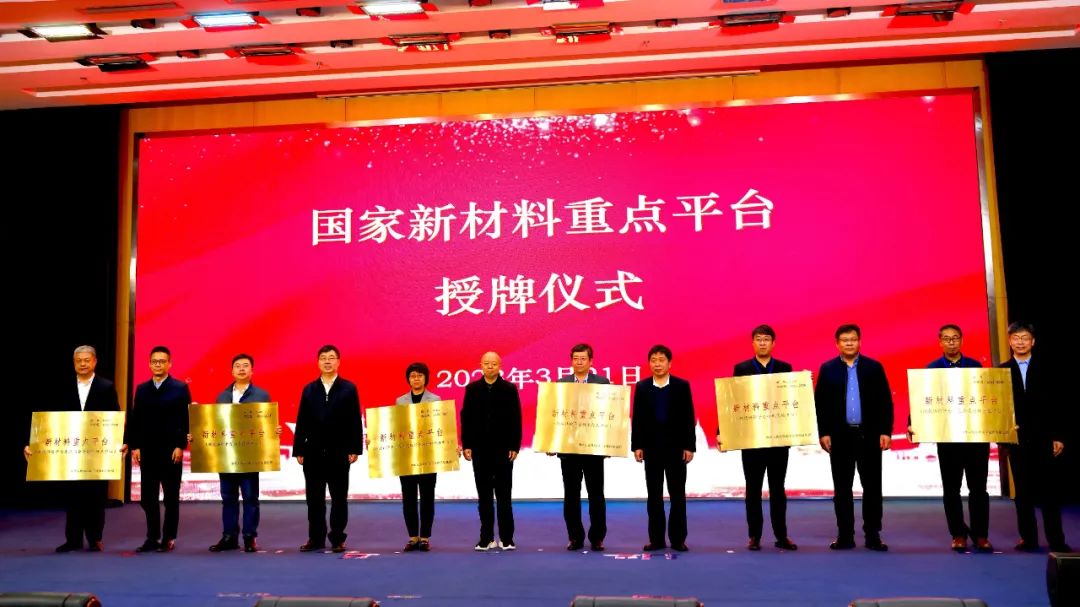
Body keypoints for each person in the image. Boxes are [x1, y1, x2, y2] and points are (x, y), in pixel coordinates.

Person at [24, 346, 121, 552]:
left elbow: (115, 416)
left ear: (95, 361)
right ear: (74, 362)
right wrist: (32, 444)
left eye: (87, 360)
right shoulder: (63, 386)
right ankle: (73, 540)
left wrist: (121, 443)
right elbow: (49, 418)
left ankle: (95, 538)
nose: (83, 364)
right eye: (79, 360)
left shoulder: (106, 387)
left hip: (97, 450)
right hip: (70, 450)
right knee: (73, 494)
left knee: (96, 494)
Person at [907, 325, 992, 553]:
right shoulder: (932, 369)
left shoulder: (975, 366)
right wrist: (912, 422)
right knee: (951, 489)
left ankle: (981, 535)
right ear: (940, 342)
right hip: (947, 439)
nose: (951, 342)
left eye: (955, 338)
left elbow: (989, 397)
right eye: (947, 339)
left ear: (962, 340)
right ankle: (958, 534)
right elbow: (921, 399)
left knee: (979, 489)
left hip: (976, 438)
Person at [718, 325, 798, 551]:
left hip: (777, 439)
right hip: (751, 439)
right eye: (759, 339)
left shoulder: (784, 368)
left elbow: (793, 399)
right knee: (752, 489)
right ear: (752, 343)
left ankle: (782, 535)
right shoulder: (742, 368)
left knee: (778, 489)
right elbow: (732, 401)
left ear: (773, 343)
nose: (762, 343)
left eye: (766, 339)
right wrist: (722, 430)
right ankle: (754, 535)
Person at [814, 324, 893, 552]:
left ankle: (873, 535)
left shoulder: (873, 367)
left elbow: (885, 401)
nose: (849, 343)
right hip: (840, 438)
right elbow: (820, 404)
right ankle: (845, 535)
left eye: (853, 339)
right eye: (845, 340)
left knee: (872, 488)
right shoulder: (828, 369)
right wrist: (823, 432)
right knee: (842, 489)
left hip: (869, 436)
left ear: (860, 341)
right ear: (837, 343)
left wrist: (885, 431)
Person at [1000, 322, 1070, 552]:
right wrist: (1003, 435)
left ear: (1033, 341)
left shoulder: (1049, 368)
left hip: (1044, 438)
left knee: (1050, 492)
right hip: (1016, 439)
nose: (1020, 342)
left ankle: (1056, 540)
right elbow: (996, 408)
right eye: (1016, 337)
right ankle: (1028, 539)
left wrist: (1058, 436)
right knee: (1023, 493)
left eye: (1025, 337)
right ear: (1009, 341)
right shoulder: (1000, 372)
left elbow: (1060, 404)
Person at [293, 345, 363, 553]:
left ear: (338, 362)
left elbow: (354, 420)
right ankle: (315, 538)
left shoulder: (348, 388)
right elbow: (302, 420)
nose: (327, 361)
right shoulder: (309, 389)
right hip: (313, 451)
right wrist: (299, 449)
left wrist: (355, 448)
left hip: (339, 451)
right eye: (323, 358)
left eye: (331, 358)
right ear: (318, 362)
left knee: (339, 498)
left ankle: (337, 538)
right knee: (314, 499)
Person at [126, 346, 192, 553]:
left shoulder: (180, 388)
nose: (158, 365)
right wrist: (135, 445)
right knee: (148, 498)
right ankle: (152, 537)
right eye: (154, 361)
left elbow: (186, 419)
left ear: (169, 364)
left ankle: (169, 537)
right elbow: (135, 419)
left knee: (171, 497)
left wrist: (181, 445)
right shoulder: (142, 389)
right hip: (148, 451)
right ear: (149, 364)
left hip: (171, 451)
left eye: (162, 361)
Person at [631, 344, 696, 552]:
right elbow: (637, 418)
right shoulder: (642, 386)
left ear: (670, 363)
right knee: (654, 496)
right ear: (649, 363)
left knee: (677, 496)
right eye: (653, 360)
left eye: (661, 360)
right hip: (651, 449)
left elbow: (688, 417)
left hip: (676, 449)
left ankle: (678, 539)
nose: (657, 364)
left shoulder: (681, 385)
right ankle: (656, 539)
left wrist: (689, 446)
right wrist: (637, 445)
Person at [209, 353, 272, 553]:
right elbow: (214, 425)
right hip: (226, 455)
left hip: (250, 456)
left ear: (252, 371)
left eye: (245, 365)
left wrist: (274, 430)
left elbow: (267, 425)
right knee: (228, 497)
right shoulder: (222, 396)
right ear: (232, 371)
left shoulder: (261, 395)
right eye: (238, 366)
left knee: (250, 497)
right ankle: (229, 536)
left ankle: (249, 537)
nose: (241, 369)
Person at [461, 351, 522, 551]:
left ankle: (506, 538)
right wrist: (467, 444)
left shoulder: (509, 389)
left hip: (504, 450)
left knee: (504, 496)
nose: (490, 367)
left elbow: (516, 418)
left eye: (493, 363)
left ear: (499, 366)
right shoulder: (472, 389)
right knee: (484, 497)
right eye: (486, 363)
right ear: (481, 365)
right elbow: (466, 418)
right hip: (480, 450)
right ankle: (486, 537)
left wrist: (514, 446)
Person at [555, 343, 610, 551]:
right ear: (571, 361)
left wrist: (609, 443)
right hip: (569, 451)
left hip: (593, 450)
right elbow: (553, 416)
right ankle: (575, 537)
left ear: (590, 361)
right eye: (575, 358)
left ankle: (597, 537)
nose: (579, 362)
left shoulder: (602, 383)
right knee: (571, 495)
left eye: (583, 359)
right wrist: (551, 442)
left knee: (596, 495)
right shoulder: (561, 384)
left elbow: (610, 416)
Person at [395, 362, 441, 552]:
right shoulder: (400, 401)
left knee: (427, 497)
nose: (416, 379)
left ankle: (425, 537)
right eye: (413, 375)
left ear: (425, 378)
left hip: (429, 457)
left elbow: (441, 427)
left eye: (420, 375)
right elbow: (395, 428)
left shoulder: (435, 400)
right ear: (408, 379)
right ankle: (413, 537)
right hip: (406, 457)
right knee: (409, 498)